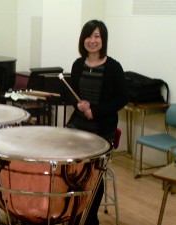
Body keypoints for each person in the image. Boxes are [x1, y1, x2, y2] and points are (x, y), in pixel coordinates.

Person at [66, 20, 127, 225]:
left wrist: (96, 111)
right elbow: (72, 96)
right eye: (89, 36)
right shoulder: (77, 65)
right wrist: (79, 106)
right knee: (68, 169)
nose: (92, 41)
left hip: (102, 129)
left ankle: (90, 218)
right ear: (83, 39)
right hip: (78, 126)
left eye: (97, 36)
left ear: (104, 40)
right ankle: (72, 212)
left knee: (94, 174)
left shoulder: (114, 67)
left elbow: (121, 99)